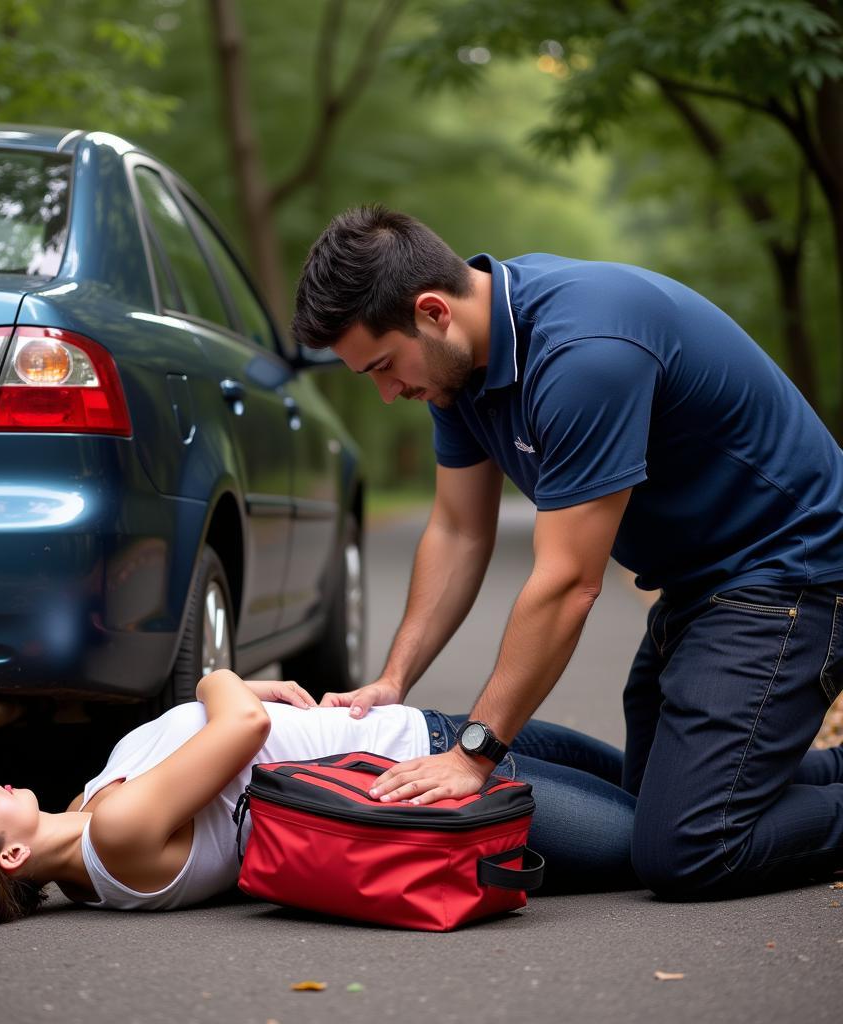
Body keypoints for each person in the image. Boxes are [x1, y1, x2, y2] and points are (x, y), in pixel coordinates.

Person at [292, 205, 843, 899]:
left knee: (689, 846)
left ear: (433, 312)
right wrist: (393, 681)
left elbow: (568, 583)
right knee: (649, 804)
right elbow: (459, 532)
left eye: (382, 365)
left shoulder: (584, 350)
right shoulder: (458, 371)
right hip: (697, 588)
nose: (387, 390)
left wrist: (473, 753)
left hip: (789, 575)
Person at [0, 670, 636, 927]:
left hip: (426, 736)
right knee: (660, 839)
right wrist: (222, 681)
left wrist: (233, 707)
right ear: (13, 856)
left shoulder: (94, 817)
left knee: (650, 782)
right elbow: (242, 724)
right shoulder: (115, 832)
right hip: (432, 771)